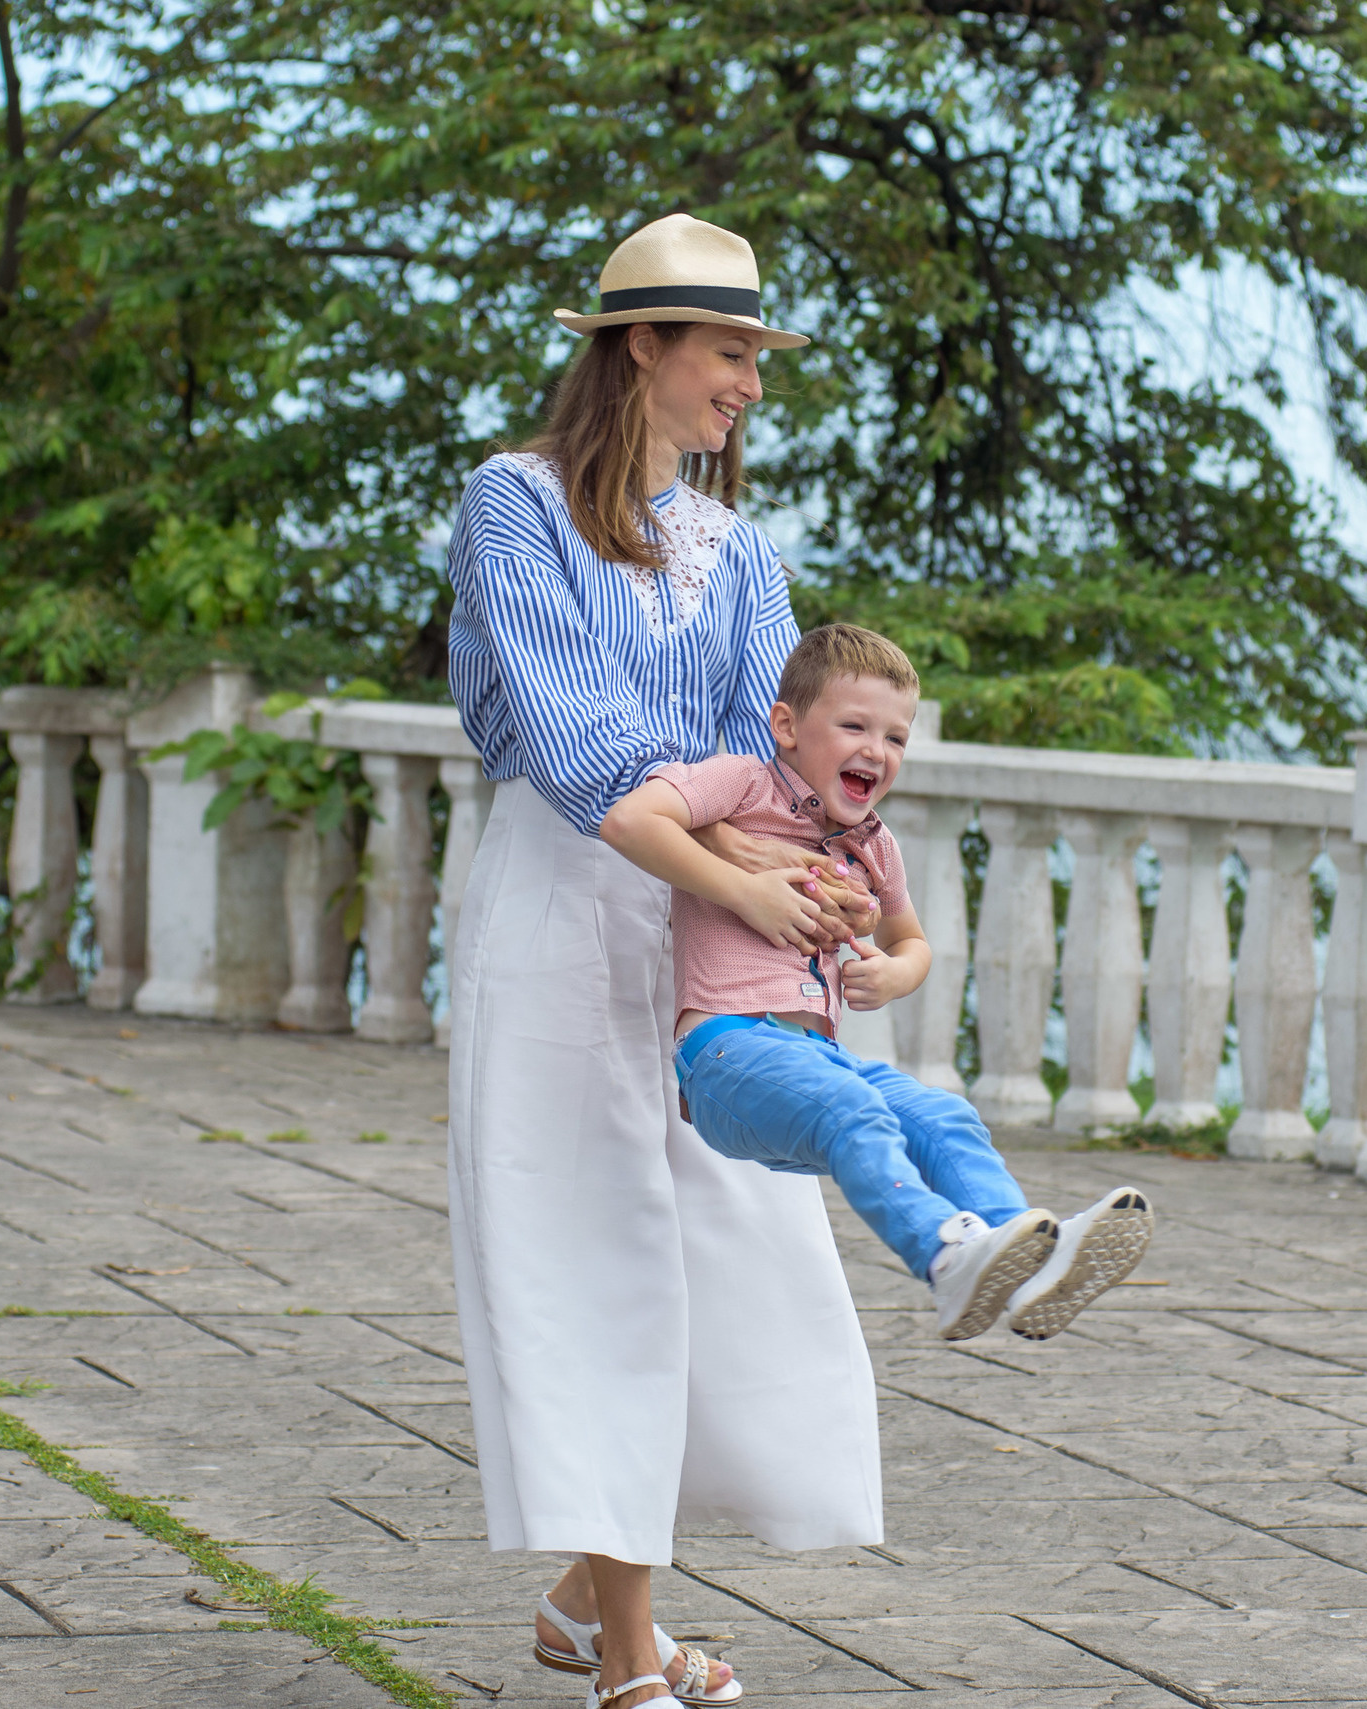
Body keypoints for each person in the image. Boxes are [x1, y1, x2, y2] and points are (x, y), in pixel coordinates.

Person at [446, 213, 887, 1709]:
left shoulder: (739, 551)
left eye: (759, 355)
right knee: (593, 1259)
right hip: (567, 908)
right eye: (730, 351)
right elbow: (580, 745)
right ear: (640, 344)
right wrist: (740, 877)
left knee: (734, 1261)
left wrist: (824, 899)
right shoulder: (512, 505)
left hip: (708, 914)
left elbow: (764, 760)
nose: (752, 383)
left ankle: (587, 1608)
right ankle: (623, 1655)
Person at [598, 621, 1156, 1341]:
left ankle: (1024, 1251)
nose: (877, 749)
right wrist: (744, 889)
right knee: (854, 1106)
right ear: (788, 726)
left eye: (895, 737)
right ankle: (944, 1257)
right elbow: (629, 820)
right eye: (855, 725)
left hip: (817, 1057)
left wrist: (895, 972)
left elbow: (912, 940)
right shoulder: (740, 783)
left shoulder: (874, 845)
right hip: (724, 1056)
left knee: (942, 1115)